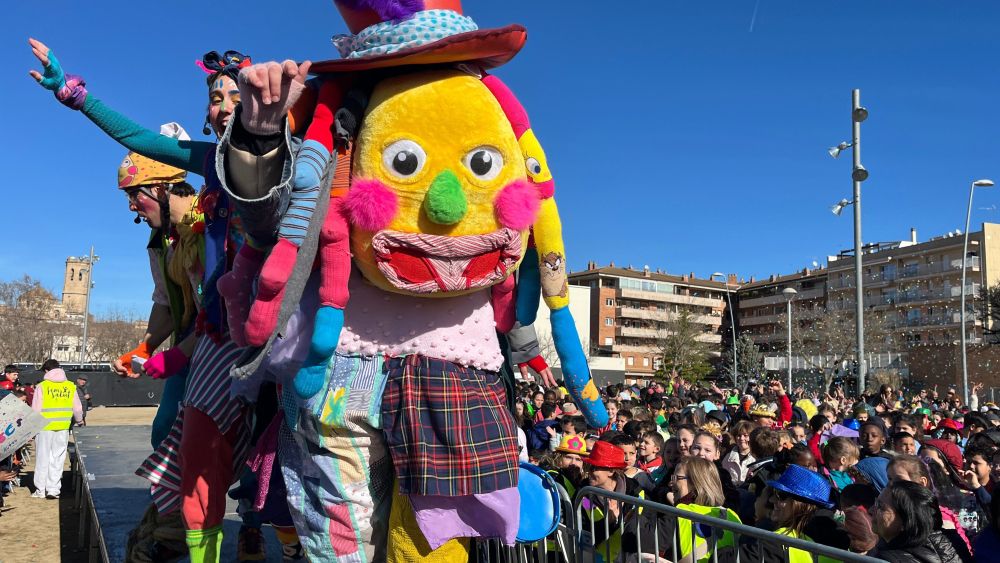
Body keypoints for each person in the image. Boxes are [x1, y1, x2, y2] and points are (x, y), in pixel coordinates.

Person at [870, 480, 962, 562]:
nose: (870, 510)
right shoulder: (947, 543)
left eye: (880, 506)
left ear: (906, 522)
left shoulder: (885, 560)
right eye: (875, 502)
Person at [30, 359, 83, 499]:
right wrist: (79, 420)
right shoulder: (70, 386)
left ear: (47, 371)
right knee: (58, 458)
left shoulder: (42, 386)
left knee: (42, 458)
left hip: (44, 427)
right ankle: (53, 489)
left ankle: (40, 490)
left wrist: (32, 427)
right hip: (63, 427)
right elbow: (77, 408)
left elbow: (35, 410)